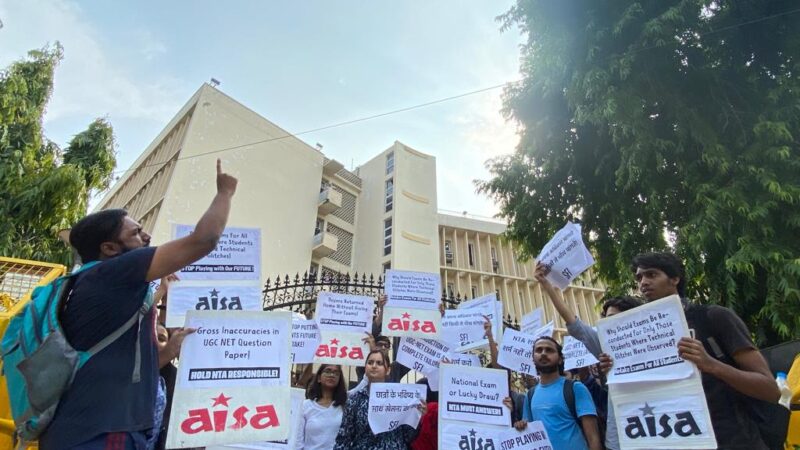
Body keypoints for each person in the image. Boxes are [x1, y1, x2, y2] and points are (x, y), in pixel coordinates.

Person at [40, 159, 237, 450]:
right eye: (136, 233)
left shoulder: (91, 283)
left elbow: (123, 368)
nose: (146, 236)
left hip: (91, 429)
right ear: (109, 248)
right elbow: (204, 240)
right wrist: (225, 193)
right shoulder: (111, 272)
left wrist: (169, 350)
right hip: (103, 434)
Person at [629, 252, 780, 449]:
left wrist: (711, 365)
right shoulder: (641, 335)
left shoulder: (714, 317)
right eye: (639, 277)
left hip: (736, 440)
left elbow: (770, 390)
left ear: (675, 278)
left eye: (651, 275)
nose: (643, 283)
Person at [535, 260, 641, 450]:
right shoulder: (603, 346)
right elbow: (574, 323)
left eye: (617, 319)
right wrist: (546, 285)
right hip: (622, 439)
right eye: (607, 319)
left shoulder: (660, 341)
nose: (611, 324)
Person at [514, 336, 602, 450]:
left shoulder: (575, 388)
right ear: (533, 358)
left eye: (549, 350)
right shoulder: (530, 395)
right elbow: (529, 432)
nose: (543, 353)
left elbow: (593, 438)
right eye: (539, 350)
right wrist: (520, 426)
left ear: (560, 359)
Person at [334, 350, 426, 450]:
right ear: (365, 368)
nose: (374, 366)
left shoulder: (401, 399)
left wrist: (418, 416)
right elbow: (344, 438)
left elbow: (408, 436)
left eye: (379, 363)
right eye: (370, 362)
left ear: (388, 370)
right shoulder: (355, 399)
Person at [296, 364, 348, 450]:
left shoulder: (344, 404)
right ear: (319, 378)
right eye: (328, 371)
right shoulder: (305, 406)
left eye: (336, 373)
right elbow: (298, 442)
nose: (332, 375)